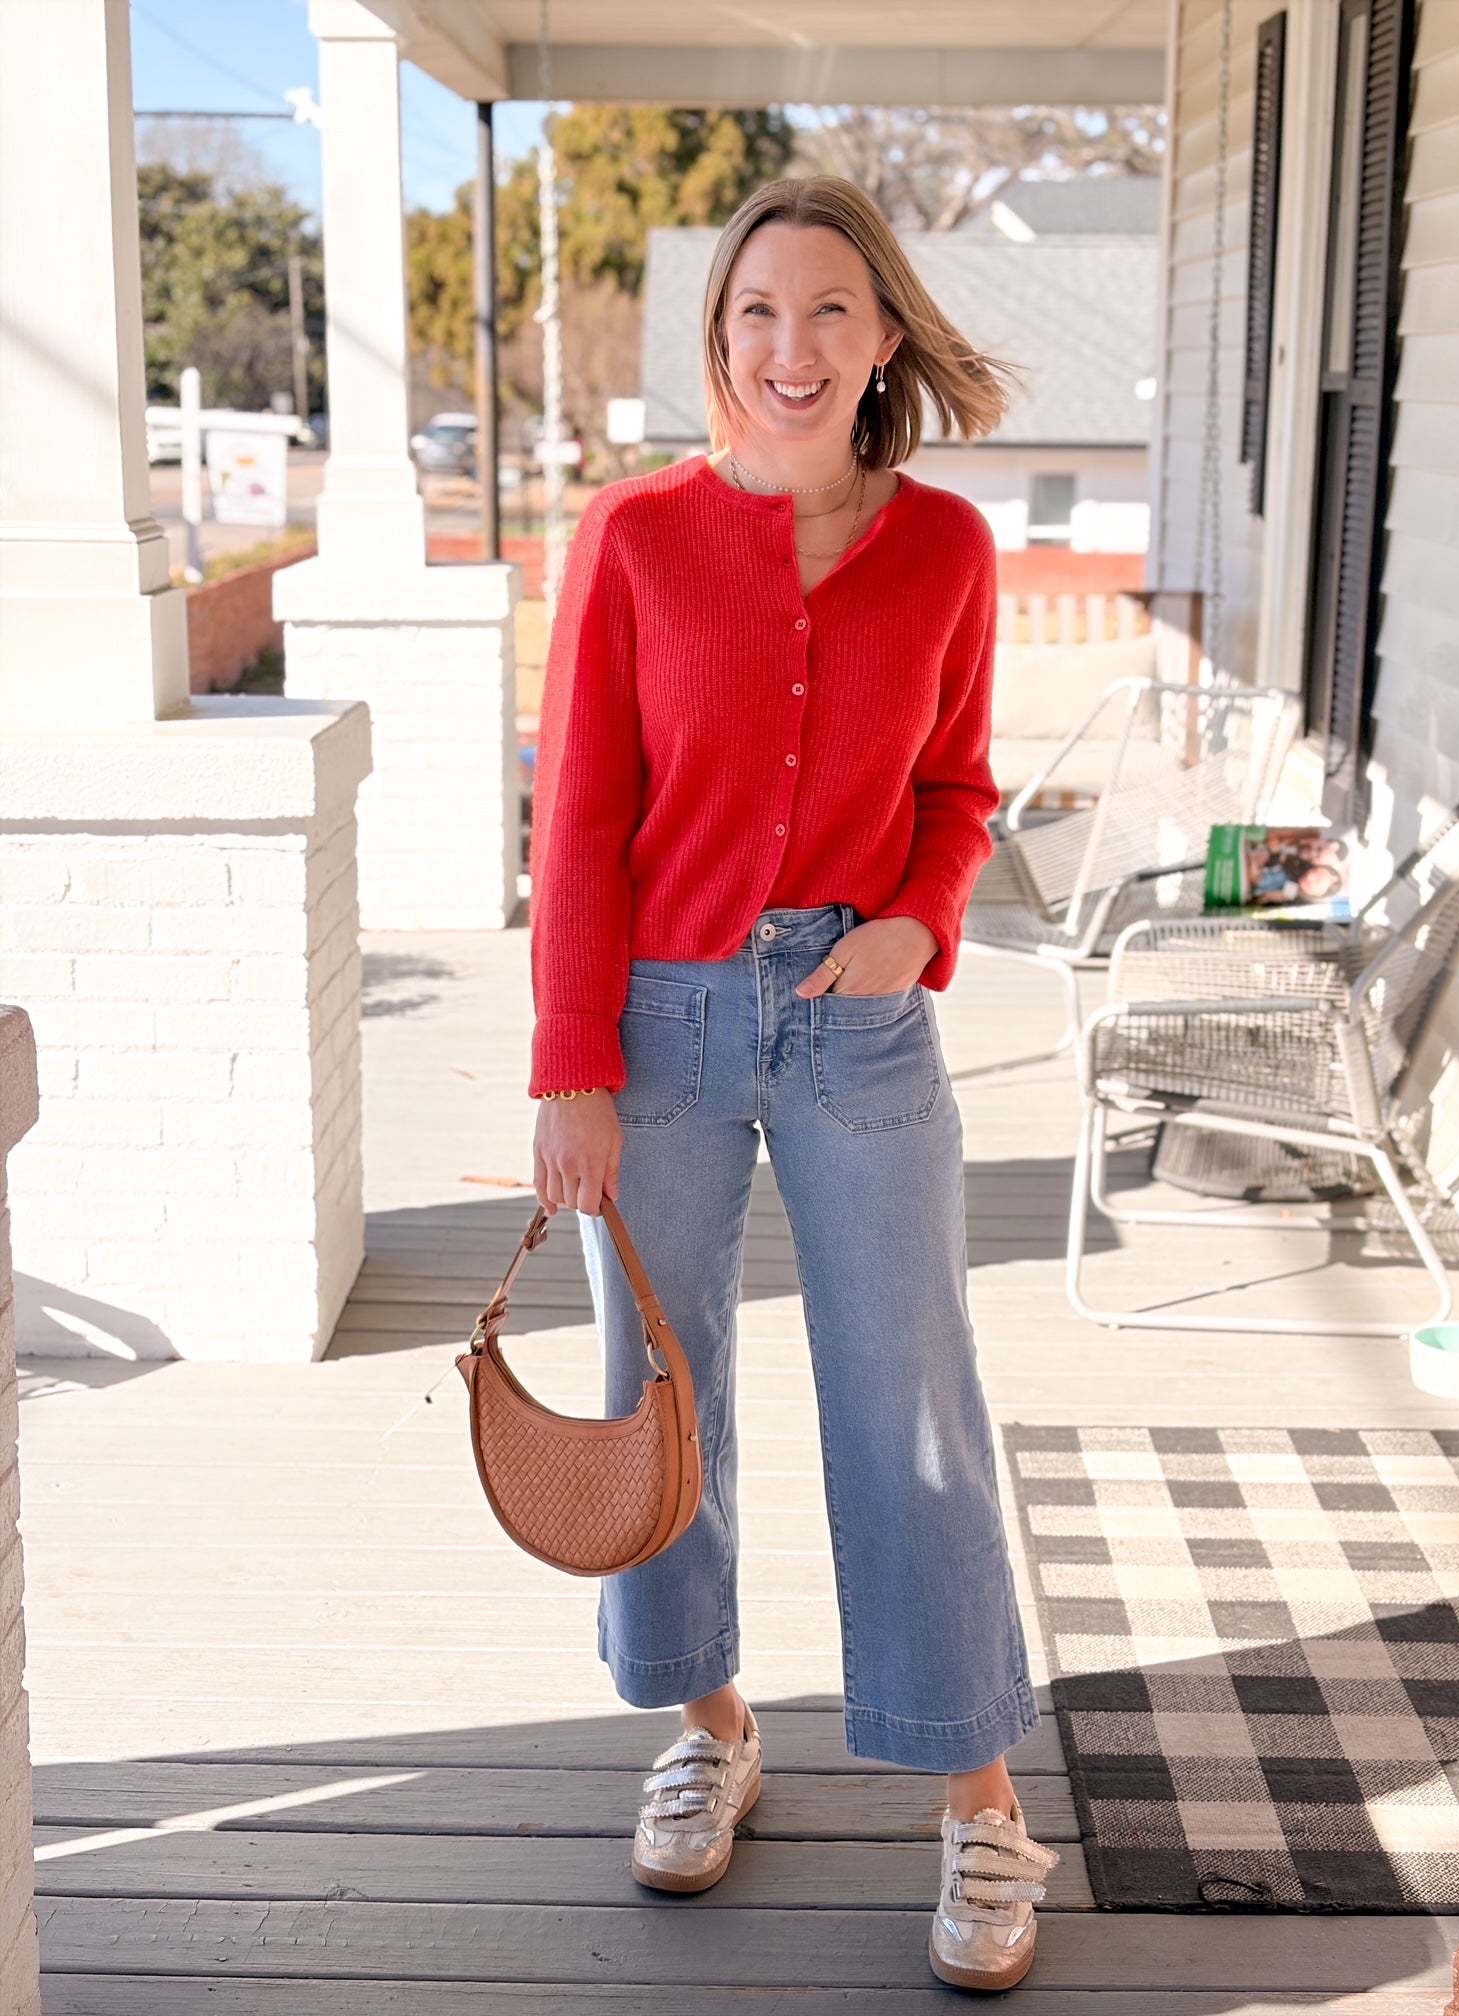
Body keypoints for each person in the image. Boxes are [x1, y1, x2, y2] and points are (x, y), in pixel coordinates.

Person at [529, 176, 1054, 1994]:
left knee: (909, 1400)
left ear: (884, 337)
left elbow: (961, 790)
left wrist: (920, 921)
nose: (791, 348)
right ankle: (711, 1721)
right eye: (759, 312)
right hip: (660, 1019)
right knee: (660, 1393)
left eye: (831, 312)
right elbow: (582, 817)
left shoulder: (949, 552)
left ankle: (980, 1797)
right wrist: (567, 1068)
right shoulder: (635, 537)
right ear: (717, 336)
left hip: (858, 1012)